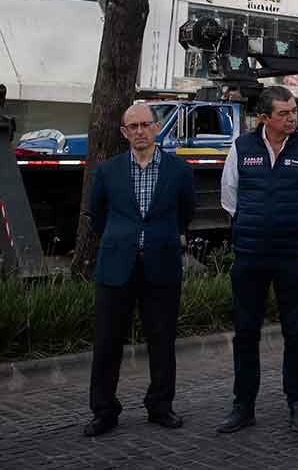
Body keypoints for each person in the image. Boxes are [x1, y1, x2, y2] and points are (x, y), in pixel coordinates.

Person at [217, 86, 298, 434]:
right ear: (265, 117)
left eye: (293, 111)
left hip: (291, 255)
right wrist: (255, 226)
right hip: (250, 255)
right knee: (245, 332)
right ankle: (243, 406)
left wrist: (291, 224)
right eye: (284, 113)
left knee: (295, 331)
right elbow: (229, 197)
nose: (292, 118)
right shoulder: (242, 148)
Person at [83, 103, 196, 437]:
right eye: (132, 127)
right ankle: (104, 411)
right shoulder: (107, 171)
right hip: (116, 265)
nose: (140, 132)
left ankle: (160, 406)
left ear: (157, 127)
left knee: (162, 341)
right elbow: (98, 215)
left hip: (161, 264)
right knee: (106, 342)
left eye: (145, 125)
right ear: (123, 132)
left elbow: (185, 213)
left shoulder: (179, 170)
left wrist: (157, 238)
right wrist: (123, 240)